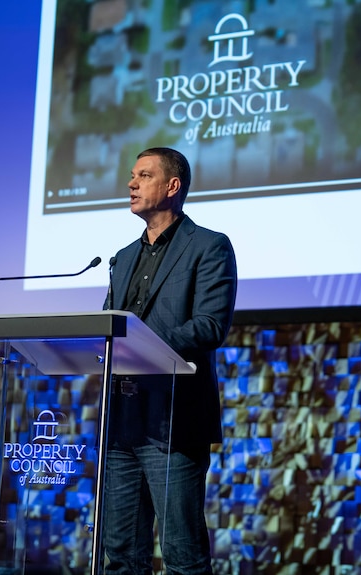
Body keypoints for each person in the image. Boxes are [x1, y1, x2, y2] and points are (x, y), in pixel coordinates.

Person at [102, 147, 238, 574]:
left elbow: (210, 325)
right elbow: (110, 325)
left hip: (174, 421)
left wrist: (141, 341)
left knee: (182, 556)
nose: (131, 183)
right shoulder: (122, 258)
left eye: (143, 175)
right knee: (121, 555)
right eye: (132, 175)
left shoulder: (209, 247)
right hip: (123, 421)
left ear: (172, 186)